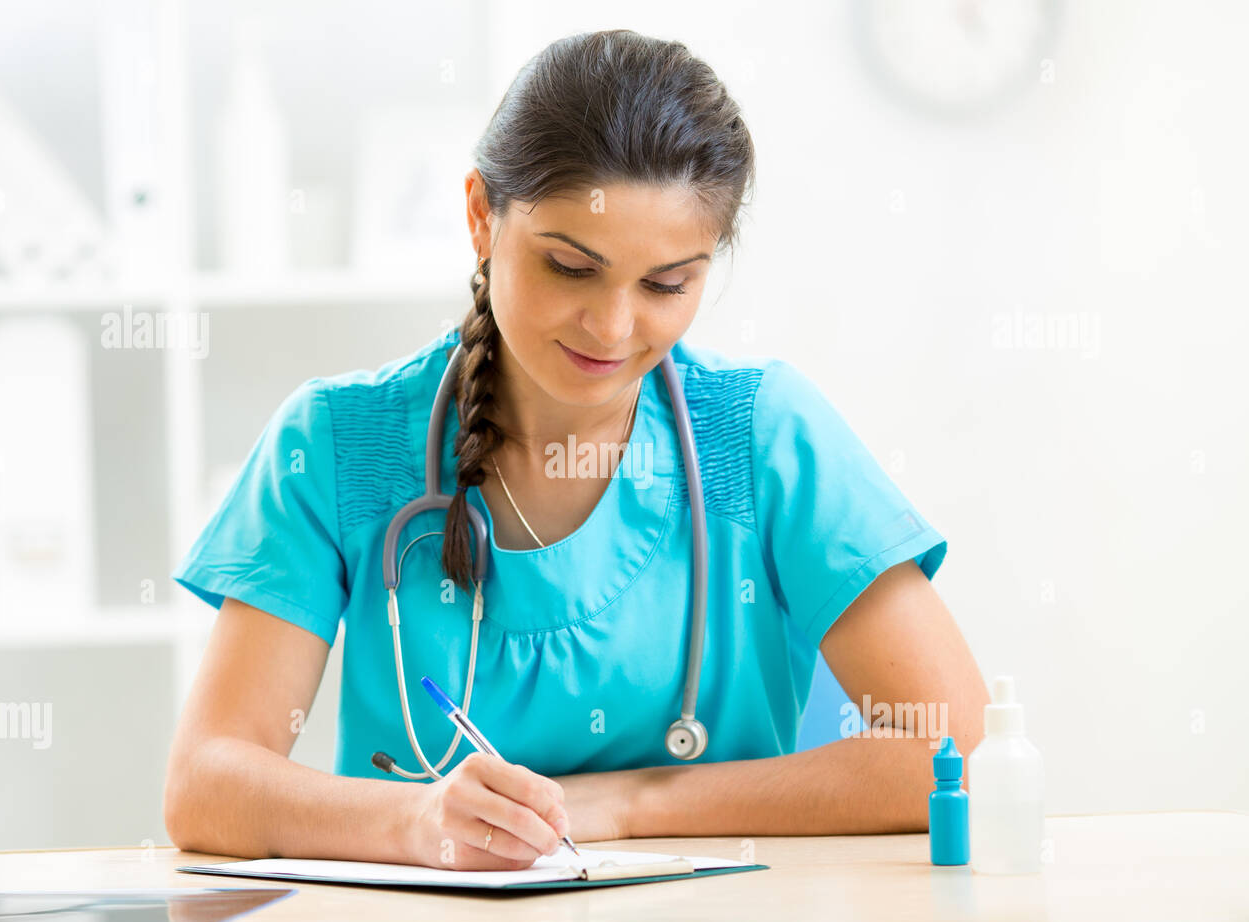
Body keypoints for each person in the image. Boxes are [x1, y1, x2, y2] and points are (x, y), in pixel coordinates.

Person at [164, 29, 989, 871]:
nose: (615, 327)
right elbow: (207, 783)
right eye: (569, 267)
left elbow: (946, 744)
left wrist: (623, 807)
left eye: (667, 284)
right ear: (483, 216)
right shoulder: (337, 444)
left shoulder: (764, 434)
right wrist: (414, 822)